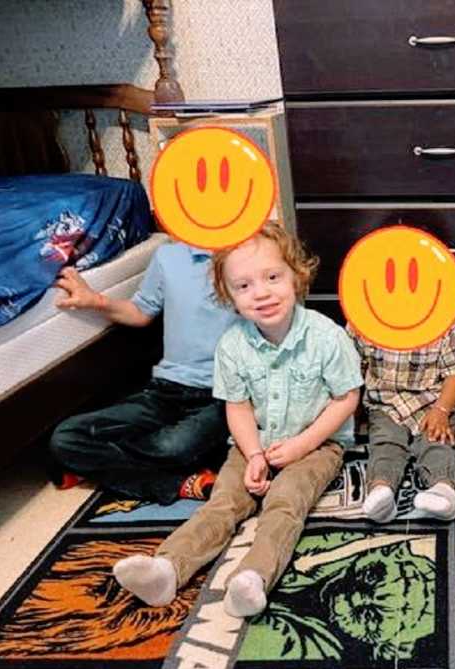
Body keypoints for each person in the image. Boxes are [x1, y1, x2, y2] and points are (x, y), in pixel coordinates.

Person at [113, 223, 362, 618]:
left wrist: (300, 446)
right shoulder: (231, 345)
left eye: (272, 277)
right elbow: (238, 406)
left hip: (316, 444)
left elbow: (346, 398)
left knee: (284, 502)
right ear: (227, 296)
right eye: (243, 286)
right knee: (223, 502)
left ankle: (254, 578)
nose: (260, 293)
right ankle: (167, 568)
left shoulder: (326, 336)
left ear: (297, 276)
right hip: (255, 440)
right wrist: (252, 453)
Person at [48, 241, 237, 503]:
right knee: (66, 437)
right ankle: (175, 482)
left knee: (174, 447)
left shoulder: (251, 255)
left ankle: (96, 463)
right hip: (166, 390)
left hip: (222, 394)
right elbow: (141, 311)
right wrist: (95, 300)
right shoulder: (169, 254)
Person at [348, 317, 455, 523]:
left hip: (432, 402)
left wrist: (442, 409)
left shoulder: (444, 322)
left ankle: (443, 489)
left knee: (436, 442)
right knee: (385, 444)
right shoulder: (362, 321)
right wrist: (352, 413)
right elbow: (353, 369)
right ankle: (381, 490)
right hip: (385, 405)